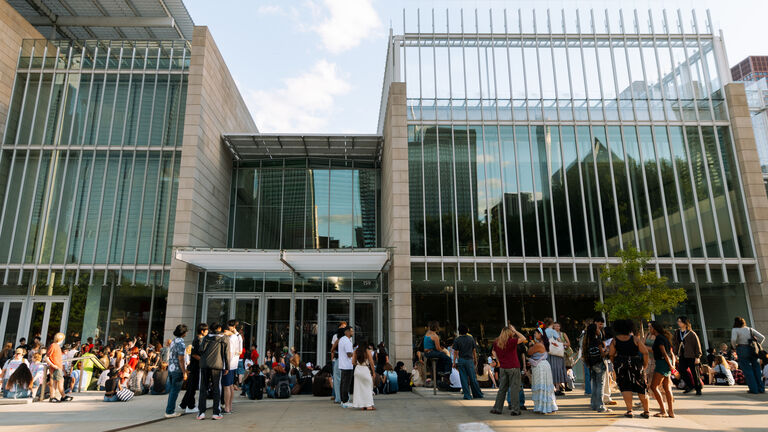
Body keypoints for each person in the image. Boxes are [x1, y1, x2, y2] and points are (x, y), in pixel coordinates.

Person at [610, 319, 650, 419]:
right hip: (636, 363)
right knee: (641, 387)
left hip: (621, 364)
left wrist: (615, 363)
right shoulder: (635, 339)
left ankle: (629, 410)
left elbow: (611, 354)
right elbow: (645, 352)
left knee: (625, 387)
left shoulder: (615, 340)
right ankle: (646, 411)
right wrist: (644, 365)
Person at [490, 326, 526, 416]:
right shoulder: (511, 341)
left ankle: (497, 408)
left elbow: (494, 352)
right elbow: (523, 338)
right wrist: (515, 330)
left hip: (503, 367)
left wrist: (499, 361)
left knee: (502, 389)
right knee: (514, 389)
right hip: (513, 367)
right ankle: (515, 410)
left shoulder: (496, 342)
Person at [198, 323, 229, 420]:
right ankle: (216, 412)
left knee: (203, 388)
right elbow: (226, 353)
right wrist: (227, 366)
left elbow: (201, 349)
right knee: (216, 388)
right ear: (220, 329)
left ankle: (201, 413)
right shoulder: (224, 338)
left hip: (204, 364)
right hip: (217, 365)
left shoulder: (206, 337)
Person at [731, 316, 765, 394]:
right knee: (756, 368)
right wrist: (758, 344)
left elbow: (733, 339)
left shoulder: (735, 330)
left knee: (747, 370)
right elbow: (762, 337)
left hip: (742, 348)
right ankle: (761, 388)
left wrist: (734, 346)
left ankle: (753, 389)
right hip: (753, 349)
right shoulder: (749, 329)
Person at [648, 322, 675, 418]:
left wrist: (670, 366)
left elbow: (664, 353)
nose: (649, 329)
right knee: (667, 388)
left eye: (650, 328)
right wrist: (671, 365)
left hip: (662, 363)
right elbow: (670, 353)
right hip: (666, 363)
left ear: (654, 329)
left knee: (653, 386)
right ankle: (671, 412)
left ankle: (664, 411)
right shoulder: (664, 337)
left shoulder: (659, 338)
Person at [528, 328, 557, 414]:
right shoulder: (544, 343)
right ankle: (548, 406)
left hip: (540, 367)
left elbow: (529, 352)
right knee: (546, 386)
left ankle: (541, 407)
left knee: (540, 386)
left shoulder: (538, 345)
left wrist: (530, 345)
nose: (534, 335)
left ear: (540, 334)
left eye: (535, 333)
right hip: (545, 365)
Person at [582, 323, 610, 413]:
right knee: (600, 385)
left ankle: (594, 404)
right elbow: (602, 354)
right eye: (598, 328)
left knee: (594, 385)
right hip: (599, 364)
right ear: (595, 331)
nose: (599, 330)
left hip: (592, 365)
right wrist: (608, 351)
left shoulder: (587, 341)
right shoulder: (598, 341)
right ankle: (600, 406)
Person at [452, 324, 484, 401]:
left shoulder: (457, 340)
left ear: (459, 331)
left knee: (463, 378)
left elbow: (455, 352)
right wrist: (475, 359)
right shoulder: (471, 339)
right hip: (469, 360)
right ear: (467, 330)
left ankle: (467, 395)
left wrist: (454, 362)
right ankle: (477, 394)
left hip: (461, 360)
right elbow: (474, 350)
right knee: (473, 378)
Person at [180, 323, 207, 413]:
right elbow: (194, 354)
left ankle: (183, 404)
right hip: (195, 367)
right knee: (192, 387)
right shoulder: (197, 340)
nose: (207, 332)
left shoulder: (199, 339)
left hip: (195, 367)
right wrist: (204, 360)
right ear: (202, 331)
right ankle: (190, 406)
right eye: (206, 330)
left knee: (191, 386)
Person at [673, 316, 702, 395]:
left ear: (685, 323)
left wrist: (697, 357)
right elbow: (675, 343)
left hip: (691, 355)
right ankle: (690, 385)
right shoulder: (677, 332)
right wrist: (675, 354)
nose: (678, 323)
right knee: (682, 370)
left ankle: (698, 388)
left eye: (680, 321)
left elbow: (697, 345)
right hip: (682, 355)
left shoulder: (691, 333)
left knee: (694, 372)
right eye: (678, 321)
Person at [164, 324, 188, 418]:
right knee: (175, 391)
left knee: (172, 390)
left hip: (171, 368)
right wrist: (184, 372)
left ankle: (169, 410)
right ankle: (169, 411)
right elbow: (181, 359)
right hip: (178, 369)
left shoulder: (173, 341)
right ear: (183, 333)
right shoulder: (181, 343)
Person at [543, 319, 567, 396]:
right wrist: (564, 344)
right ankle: (557, 388)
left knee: (550, 370)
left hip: (547, 353)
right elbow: (559, 341)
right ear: (552, 324)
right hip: (555, 353)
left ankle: (551, 388)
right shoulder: (553, 331)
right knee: (557, 369)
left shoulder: (544, 331)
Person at [222, 320, 241, 414]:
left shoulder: (232, 338)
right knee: (230, 386)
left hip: (229, 364)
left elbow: (230, 352)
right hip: (233, 364)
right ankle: (229, 407)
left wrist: (227, 365)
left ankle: (227, 408)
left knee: (227, 387)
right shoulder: (237, 337)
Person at [350, 341, 376, 410]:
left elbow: (353, 362)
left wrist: (357, 364)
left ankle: (362, 405)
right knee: (368, 388)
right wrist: (373, 372)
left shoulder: (356, 351)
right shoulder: (367, 351)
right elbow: (371, 362)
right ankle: (369, 405)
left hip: (358, 369)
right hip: (365, 369)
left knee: (359, 389)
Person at [46, 332, 70, 402]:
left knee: (55, 382)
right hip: (56, 366)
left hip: (57, 366)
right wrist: (53, 365)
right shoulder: (54, 346)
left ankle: (54, 396)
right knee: (59, 381)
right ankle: (62, 396)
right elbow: (47, 357)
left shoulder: (56, 346)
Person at [329, 322, 347, 404]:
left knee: (338, 380)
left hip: (340, 359)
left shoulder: (339, 339)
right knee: (342, 379)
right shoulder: (345, 339)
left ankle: (339, 398)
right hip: (343, 359)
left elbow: (332, 349)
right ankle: (342, 397)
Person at [338, 325, 355, 405]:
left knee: (343, 383)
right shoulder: (347, 341)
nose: (353, 332)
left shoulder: (341, 339)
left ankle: (342, 400)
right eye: (351, 331)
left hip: (342, 365)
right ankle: (345, 401)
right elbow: (349, 354)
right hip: (347, 365)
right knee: (346, 384)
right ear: (347, 332)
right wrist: (355, 353)